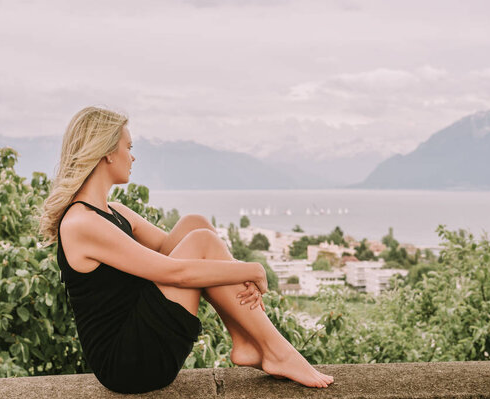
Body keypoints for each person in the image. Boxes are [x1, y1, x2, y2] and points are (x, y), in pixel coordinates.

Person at [37, 106, 333, 394]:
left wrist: (233, 270)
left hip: (140, 339)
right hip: (127, 363)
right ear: (107, 152)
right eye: (129, 146)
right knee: (202, 241)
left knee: (196, 224)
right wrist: (252, 269)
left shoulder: (115, 212)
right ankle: (276, 350)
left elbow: (178, 250)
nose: (133, 156)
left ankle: (244, 339)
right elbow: (175, 272)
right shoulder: (82, 223)